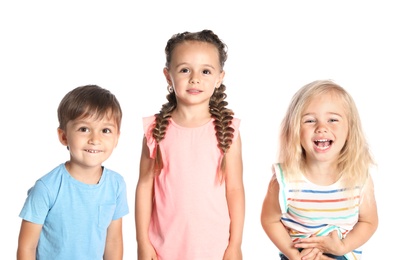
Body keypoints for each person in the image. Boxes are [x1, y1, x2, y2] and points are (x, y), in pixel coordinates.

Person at [135, 29, 245, 260]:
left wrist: (235, 245)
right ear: (168, 75)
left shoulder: (228, 131)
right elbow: (145, 188)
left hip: (214, 250)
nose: (195, 78)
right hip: (163, 247)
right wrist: (143, 242)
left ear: (219, 77)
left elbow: (235, 190)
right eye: (185, 70)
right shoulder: (155, 129)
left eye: (205, 71)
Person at [261, 80, 378, 260]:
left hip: (342, 254)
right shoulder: (285, 180)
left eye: (332, 120)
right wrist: (294, 255)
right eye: (309, 120)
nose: (322, 128)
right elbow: (270, 220)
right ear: (295, 130)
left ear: (349, 128)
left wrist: (342, 247)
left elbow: (368, 222)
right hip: (299, 254)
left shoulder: (358, 177)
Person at [17, 85, 129, 260]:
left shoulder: (116, 185)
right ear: (64, 136)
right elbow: (26, 247)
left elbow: (113, 241)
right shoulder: (46, 188)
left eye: (105, 130)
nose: (95, 139)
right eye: (84, 129)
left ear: (117, 138)